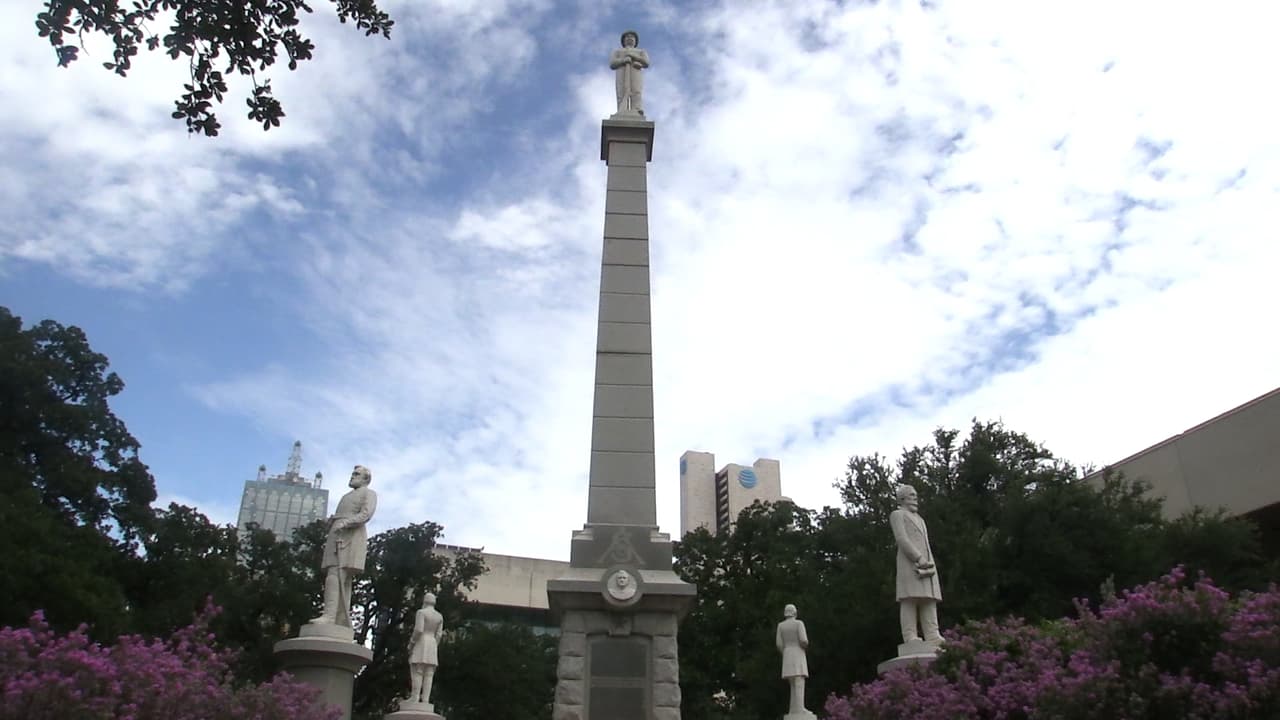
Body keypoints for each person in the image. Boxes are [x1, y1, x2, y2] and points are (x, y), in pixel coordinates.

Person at [310, 465, 377, 627]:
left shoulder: (369, 493)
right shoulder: (346, 496)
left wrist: (347, 522)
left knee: (337, 575)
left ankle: (330, 616)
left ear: (365, 479)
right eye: (353, 473)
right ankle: (338, 617)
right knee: (338, 577)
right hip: (337, 533)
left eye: (357, 474)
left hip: (351, 535)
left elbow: (366, 514)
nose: (352, 476)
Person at [889, 484, 943, 645]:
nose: (915, 498)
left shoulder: (920, 519)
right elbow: (901, 539)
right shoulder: (897, 515)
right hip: (910, 563)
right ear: (902, 498)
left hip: (927, 564)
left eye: (916, 495)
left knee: (929, 598)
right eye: (912, 495)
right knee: (909, 599)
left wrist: (928, 561)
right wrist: (918, 557)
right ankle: (910, 635)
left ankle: (933, 634)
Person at [407, 593, 444, 705]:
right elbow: (439, 634)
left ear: (425, 601)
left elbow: (419, 629)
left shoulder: (421, 613)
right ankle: (425, 700)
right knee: (429, 673)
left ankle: (415, 697)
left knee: (418, 670)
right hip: (432, 643)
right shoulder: (439, 616)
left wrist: (412, 643)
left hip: (421, 641)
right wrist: (435, 645)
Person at [776, 604, 810, 716]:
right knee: (799, 682)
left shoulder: (780, 626)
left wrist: (785, 652)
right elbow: (804, 640)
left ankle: (793, 709)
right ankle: (800, 709)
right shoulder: (799, 624)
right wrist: (803, 646)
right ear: (794, 612)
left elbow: (779, 644)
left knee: (792, 684)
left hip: (787, 654)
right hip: (798, 653)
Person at [609, 30, 649, 115]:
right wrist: (623, 60)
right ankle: (622, 110)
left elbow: (646, 62)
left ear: (635, 41)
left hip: (635, 70)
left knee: (636, 90)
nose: (630, 38)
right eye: (627, 37)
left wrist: (633, 56)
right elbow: (612, 64)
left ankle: (637, 109)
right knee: (621, 92)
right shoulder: (618, 51)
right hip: (621, 71)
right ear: (623, 41)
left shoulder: (641, 51)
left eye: (632, 37)